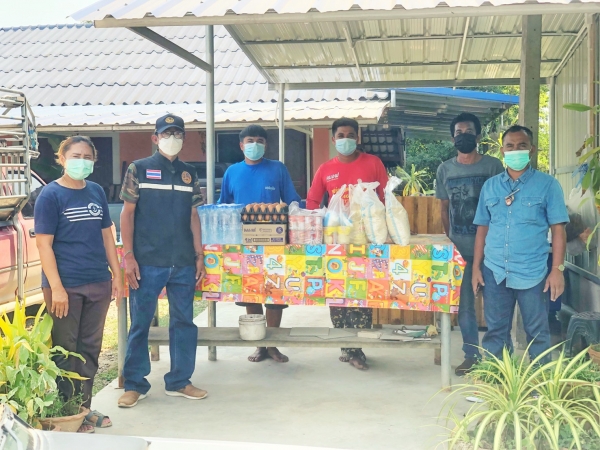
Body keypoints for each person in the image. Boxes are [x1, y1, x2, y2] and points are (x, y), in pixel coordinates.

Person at [35, 136, 123, 433]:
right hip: (66, 286)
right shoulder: (50, 195)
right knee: (65, 351)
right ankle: (67, 411)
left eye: (87, 156)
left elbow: (107, 235)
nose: (82, 161)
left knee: (89, 349)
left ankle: (84, 408)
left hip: (97, 281)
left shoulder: (96, 191)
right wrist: (57, 288)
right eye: (75, 155)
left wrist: (117, 274)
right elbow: (44, 245)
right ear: (62, 158)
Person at [118, 114, 207, 408]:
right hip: (147, 261)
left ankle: (180, 381)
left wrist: (199, 255)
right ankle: (135, 384)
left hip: (182, 261)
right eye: (167, 134)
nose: (173, 139)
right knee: (140, 323)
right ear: (155, 138)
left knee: (183, 323)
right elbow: (127, 214)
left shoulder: (189, 173)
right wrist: (128, 255)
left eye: (178, 134)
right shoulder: (139, 169)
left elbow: (193, 215)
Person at [472, 125, 568, 364]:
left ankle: (540, 382)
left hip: (532, 272)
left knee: (538, 333)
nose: (516, 150)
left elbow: (558, 230)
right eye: (510, 146)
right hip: (494, 270)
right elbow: (482, 228)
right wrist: (476, 268)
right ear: (502, 151)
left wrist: (557, 270)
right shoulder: (491, 186)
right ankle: (498, 378)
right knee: (495, 332)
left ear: (532, 150)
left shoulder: (548, 185)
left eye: (521, 146)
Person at [306, 117, 389, 371]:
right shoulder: (325, 169)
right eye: (341, 136)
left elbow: (385, 199)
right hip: (336, 240)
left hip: (365, 240)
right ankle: (346, 346)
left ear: (358, 138)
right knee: (338, 293)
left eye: (350, 135)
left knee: (361, 293)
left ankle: (357, 348)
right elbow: (312, 202)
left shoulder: (373, 163)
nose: (346, 139)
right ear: (333, 140)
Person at [219, 124, 301, 363]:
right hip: (243, 244)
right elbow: (224, 206)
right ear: (241, 145)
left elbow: (292, 201)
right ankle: (259, 345)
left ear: (266, 145)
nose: (255, 145)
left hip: (274, 242)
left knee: (274, 293)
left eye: (260, 141)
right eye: (250, 141)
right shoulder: (232, 172)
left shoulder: (277, 169)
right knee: (251, 293)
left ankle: (272, 345)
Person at [435, 113, 504, 376]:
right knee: (465, 306)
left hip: (492, 248)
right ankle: (472, 355)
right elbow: (444, 209)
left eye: (468, 131)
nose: (463, 136)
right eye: (458, 132)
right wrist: (450, 238)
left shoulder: (493, 166)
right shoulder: (445, 170)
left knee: (497, 304)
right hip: (460, 250)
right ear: (453, 138)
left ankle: (498, 360)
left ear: (478, 136)